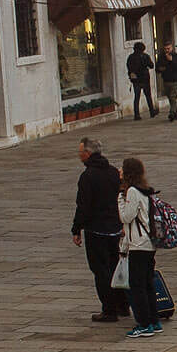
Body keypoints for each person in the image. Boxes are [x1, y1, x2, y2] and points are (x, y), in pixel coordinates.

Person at [70, 137, 126, 321]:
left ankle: (109, 309)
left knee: (101, 270)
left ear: (87, 154)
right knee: (115, 267)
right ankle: (123, 305)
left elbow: (83, 206)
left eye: (80, 152)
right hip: (115, 228)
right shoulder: (113, 172)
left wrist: (76, 229)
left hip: (96, 230)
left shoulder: (88, 177)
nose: (79, 155)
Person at [118, 156, 163, 338]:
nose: (119, 171)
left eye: (122, 168)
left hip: (139, 244)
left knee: (137, 286)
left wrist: (120, 199)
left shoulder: (132, 192)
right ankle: (154, 320)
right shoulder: (146, 190)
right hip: (148, 243)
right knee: (147, 283)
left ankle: (144, 324)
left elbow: (126, 217)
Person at [156, 42, 177, 121]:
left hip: (175, 81)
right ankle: (176, 112)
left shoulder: (176, 57)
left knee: (173, 97)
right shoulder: (161, 57)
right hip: (166, 80)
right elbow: (157, 68)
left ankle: (172, 113)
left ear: (172, 48)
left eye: (168, 48)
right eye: (165, 49)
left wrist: (171, 60)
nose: (167, 50)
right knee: (170, 98)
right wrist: (161, 69)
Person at [125, 41, 156, 120]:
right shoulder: (145, 56)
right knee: (148, 96)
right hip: (145, 78)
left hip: (136, 80)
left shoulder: (131, 57)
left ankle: (137, 114)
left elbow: (129, 67)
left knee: (137, 97)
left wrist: (132, 74)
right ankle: (152, 111)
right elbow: (151, 65)